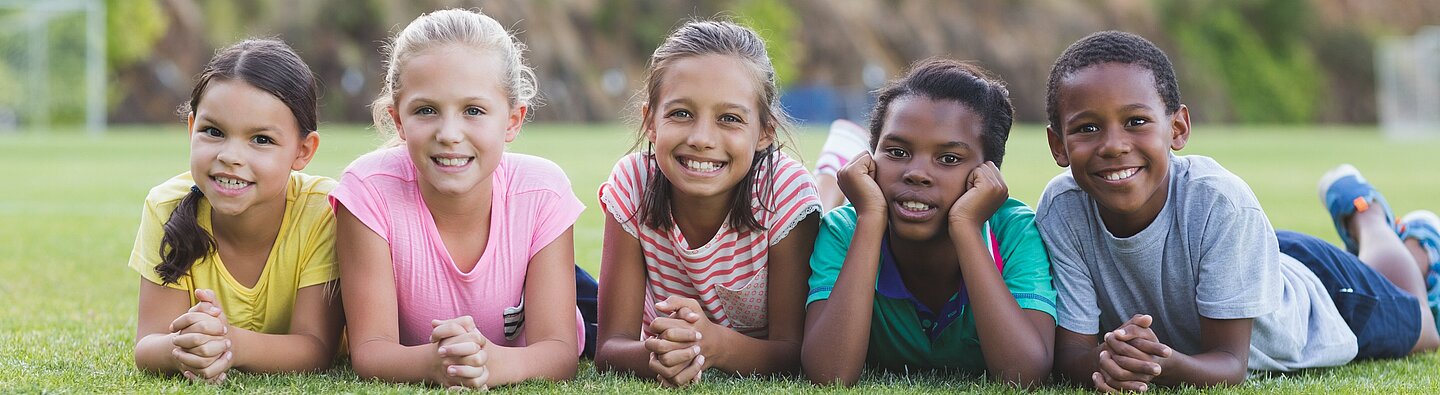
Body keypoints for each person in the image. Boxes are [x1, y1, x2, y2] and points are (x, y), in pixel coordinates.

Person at [1037, 30, 1440, 392]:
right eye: (1087, 128)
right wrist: (1110, 361)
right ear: (1058, 145)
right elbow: (1072, 355)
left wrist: (1160, 364)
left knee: (1423, 327)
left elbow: (1230, 364)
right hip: (1241, 259)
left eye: (1136, 121)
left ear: (1177, 129)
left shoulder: (1219, 202)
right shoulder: (1061, 209)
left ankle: (1369, 213)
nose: (1113, 145)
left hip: (1322, 294)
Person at [330, 8, 587, 389]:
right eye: (426, 110)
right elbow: (371, 351)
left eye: (473, 110)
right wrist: (436, 363)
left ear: (512, 120)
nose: (449, 133)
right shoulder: (369, 191)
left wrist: (494, 364)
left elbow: (559, 352)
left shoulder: (541, 192)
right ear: (398, 121)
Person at [592, 19, 822, 387]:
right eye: (681, 113)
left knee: (827, 194)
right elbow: (609, 348)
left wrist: (714, 346)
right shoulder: (634, 184)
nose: (701, 138)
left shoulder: (784, 192)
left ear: (765, 132)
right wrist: (664, 355)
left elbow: (795, 352)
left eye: (729, 118)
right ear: (650, 122)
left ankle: (831, 173)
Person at [801, 58, 1056, 387]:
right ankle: (830, 173)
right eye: (897, 152)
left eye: (949, 158)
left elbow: (1024, 376)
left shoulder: (1014, 234)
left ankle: (831, 170)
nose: (917, 173)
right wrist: (871, 217)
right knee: (820, 207)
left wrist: (966, 227)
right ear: (871, 158)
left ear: (987, 174)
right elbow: (829, 375)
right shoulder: (846, 229)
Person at [130, 39, 341, 384]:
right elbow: (148, 344)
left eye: (261, 139)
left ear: (303, 150)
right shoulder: (165, 206)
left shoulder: (322, 210)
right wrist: (186, 347)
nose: (230, 156)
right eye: (213, 132)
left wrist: (229, 343)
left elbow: (315, 348)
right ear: (191, 129)